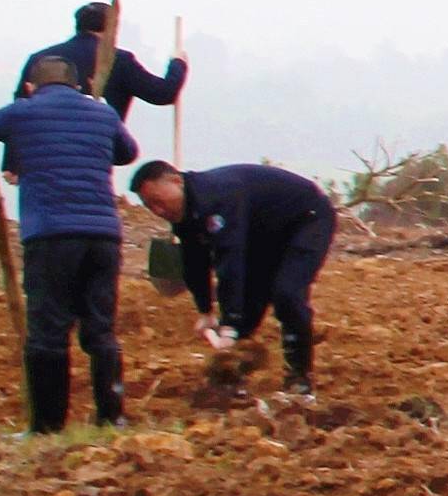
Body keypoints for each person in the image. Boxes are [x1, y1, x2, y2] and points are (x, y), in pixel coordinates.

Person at [0, 57, 140, 432]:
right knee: (100, 331)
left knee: (48, 332)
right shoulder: (101, 115)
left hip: (52, 235)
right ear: (78, 85)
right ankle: (112, 417)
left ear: (30, 87)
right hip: (104, 235)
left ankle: (47, 426)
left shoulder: (25, 112)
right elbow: (128, 152)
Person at [131, 159, 338, 397]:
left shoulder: (218, 195)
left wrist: (229, 324)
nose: (157, 210)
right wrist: (205, 311)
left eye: (158, 200)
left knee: (287, 293)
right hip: (264, 232)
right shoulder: (185, 212)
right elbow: (195, 261)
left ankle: (299, 379)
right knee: (248, 306)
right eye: (149, 205)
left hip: (307, 218)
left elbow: (229, 260)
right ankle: (229, 377)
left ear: (177, 181)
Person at [14, 2, 187, 119]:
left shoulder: (39, 59)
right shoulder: (119, 61)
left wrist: (11, 164)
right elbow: (163, 94)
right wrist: (178, 63)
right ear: (112, 27)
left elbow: (19, 110)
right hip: (97, 154)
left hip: (38, 155)